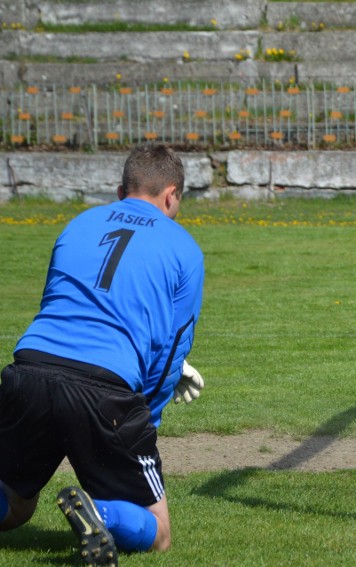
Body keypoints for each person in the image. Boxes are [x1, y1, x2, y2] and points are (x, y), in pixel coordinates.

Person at [0, 143, 206, 564]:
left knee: (14, 503)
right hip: (104, 389)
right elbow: (171, 352)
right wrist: (144, 423)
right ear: (172, 196)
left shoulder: (77, 224)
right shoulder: (185, 248)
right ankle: (101, 513)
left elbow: (53, 304)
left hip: (30, 369)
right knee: (160, 533)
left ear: (120, 190)